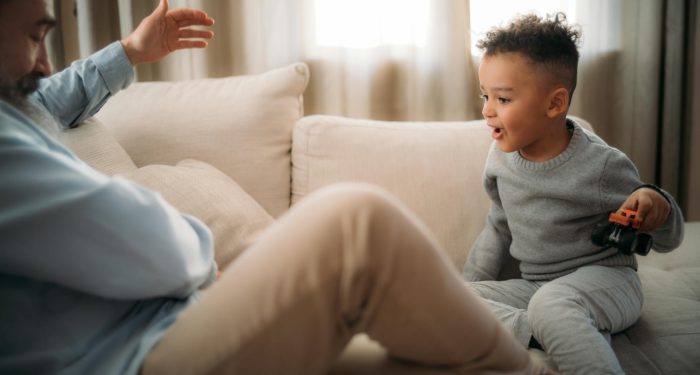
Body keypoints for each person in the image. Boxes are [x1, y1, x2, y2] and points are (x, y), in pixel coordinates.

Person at [0, 1, 553, 374]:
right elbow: (152, 246)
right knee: (355, 223)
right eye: (33, 36)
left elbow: (50, 98)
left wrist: (129, 53)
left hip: (158, 326)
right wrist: (195, 254)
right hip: (136, 354)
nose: (45, 62)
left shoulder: (20, 108)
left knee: (406, 355)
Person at [463, 13, 685, 375]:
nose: (487, 111)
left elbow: (669, 237)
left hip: (607, 282)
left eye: (502, 99)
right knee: (450, 300)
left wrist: (655, 204)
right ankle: (557, 332)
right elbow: (498, 225)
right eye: (485, 95)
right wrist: (468, 286)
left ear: (554, 104)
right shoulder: (500, 159)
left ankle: (562, 328)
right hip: (536, 287)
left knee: (552, 304)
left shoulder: (599, 165)